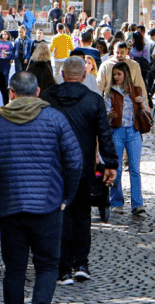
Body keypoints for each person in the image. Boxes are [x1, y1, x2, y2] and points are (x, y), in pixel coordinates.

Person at [0, 72, 82, 304]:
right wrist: (67, 196)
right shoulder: (55, 119)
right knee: (47, 266)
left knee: (14, 270)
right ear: (37, 92)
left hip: (11, 206)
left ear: (11, 94)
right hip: (48, 205)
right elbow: (75, 161)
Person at [44, 57, 118, 285]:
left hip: (54, 167)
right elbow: (104, 134)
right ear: (84, 76)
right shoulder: (93, 100)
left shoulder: (47, 98)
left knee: (60, 214)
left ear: (63, 74)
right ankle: (81, 263)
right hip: (84, 166)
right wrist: (111, 164)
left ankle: (63, 268)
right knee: (82, 214)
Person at [105, 61, 148, 218]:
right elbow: (105, 113)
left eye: (119, 74)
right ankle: (116, 201)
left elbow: (145, 110)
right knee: (116, 168)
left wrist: (141, 103)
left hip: (134, 131)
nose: (116, 77)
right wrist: (109, 116)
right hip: (117, 131)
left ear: (126, 75)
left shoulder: (135, 90)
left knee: (135, 169)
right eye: (114, 74)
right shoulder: (110, 92)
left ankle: (137, 204)